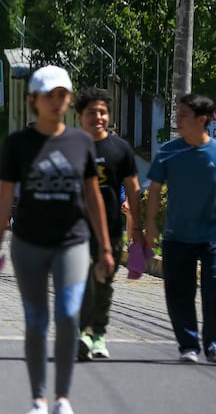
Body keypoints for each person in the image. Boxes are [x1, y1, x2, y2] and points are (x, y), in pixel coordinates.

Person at [0, 66, 114, 414]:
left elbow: (93, 197)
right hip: (28, 244)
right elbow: (4, 200)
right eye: (49, 95)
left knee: (69, 315)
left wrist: (105, 247)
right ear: (34, 101)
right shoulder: (18, 144)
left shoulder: (80, 142)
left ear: (69, 100)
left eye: (63, 95)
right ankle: (39, 399)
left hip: (72, 242)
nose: (57, 102)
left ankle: (62, 398)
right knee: (37, 321)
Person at [145, 93, 216, 364]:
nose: (178, 119)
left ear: (202, 120)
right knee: (178, 291)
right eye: (178, 113)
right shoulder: (168, 152)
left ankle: (213, 344)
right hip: (177, 236)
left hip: (212, 237)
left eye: (184, 115)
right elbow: (153, 191)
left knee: (214, 290)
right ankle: (188, 345)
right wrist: (150, 225)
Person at [74, 88, 141, 361]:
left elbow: (133, 188)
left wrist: (136, 227)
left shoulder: (120, 148)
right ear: (80, 117)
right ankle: (83, 333)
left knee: (103, 283)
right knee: (80, 283)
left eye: (102, 112)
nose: (98, 117)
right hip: (76, 229)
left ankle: (97, 335)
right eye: (92, 112)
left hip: (111, 229)